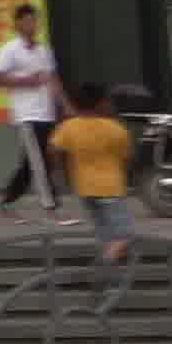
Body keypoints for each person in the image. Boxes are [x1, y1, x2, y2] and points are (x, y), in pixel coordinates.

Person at [0, 3, 72, 224]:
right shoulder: (10, 49)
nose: (33, 24)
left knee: (30, 165)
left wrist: (65, 105)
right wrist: (26, 81)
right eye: (28, 20)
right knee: (41, 163)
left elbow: (53, 79)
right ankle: (51, 210)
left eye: (35, 20)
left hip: (46, 113)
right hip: (27, 115)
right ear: (17, 24)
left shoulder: (44, 50)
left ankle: (5, 202)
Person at [53, 82, 139, 265]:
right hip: (112, 189)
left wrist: (63, 171)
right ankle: (103, 266)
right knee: (124, 236)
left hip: (85, 189)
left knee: (105, 235)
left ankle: (110, 281)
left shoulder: (68, 127)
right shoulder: (115, 128)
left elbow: (53, 149)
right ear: (101, 103)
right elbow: (127, 157)